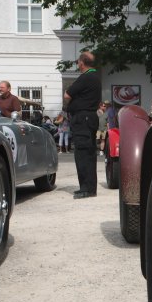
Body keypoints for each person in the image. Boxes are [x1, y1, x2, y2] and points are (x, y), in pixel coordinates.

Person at [63, 51, 101, 199]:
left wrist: (74, 97)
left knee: (83, 153)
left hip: (82, 118)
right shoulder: (95, 77)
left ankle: (86, 188)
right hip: (89, 117)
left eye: (78, 62)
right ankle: (90, 187)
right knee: (89, 153)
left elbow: (67, 95)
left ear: (81, 63)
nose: (77, 64)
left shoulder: (85, 77)